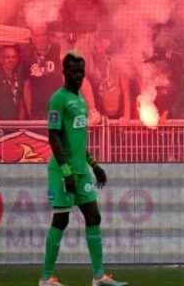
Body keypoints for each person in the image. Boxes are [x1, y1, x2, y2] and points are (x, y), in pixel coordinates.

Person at [40, 52, 127, 286]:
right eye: (73, 72)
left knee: (94, 216)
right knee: (61, 220)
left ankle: (98, 276)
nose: (78, 76)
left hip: (81, 170)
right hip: (62, 171)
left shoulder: (80, 101)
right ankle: (46, 277)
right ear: (64, 72)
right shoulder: (58, 99)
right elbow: (54, 137)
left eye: (81, 72)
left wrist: (95, 165)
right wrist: (66, 172)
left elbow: (78, 142)